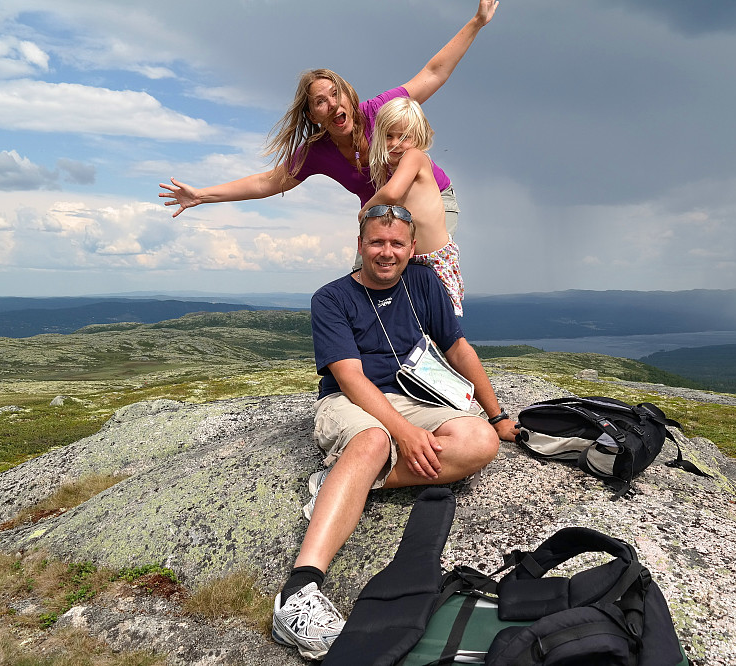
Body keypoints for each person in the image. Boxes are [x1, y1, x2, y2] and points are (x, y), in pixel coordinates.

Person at [270, 207, 518, 660]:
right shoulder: (331, 298)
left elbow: (458, 348)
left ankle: (344, 480)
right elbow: (350, 379)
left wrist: (497, 416)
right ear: (360, 244)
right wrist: (401, 432)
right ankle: (298, 592)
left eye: (397, 244)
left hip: (412, 395)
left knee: (479, 442)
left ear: (411, 248)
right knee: (373, 440)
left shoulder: (423, 283)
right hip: (350, 401)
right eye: (377, 242)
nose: (387, 252)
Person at [158, 0, 499, 245]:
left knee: (414, 276)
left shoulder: (379, 110)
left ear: (349, 98)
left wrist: (476, 22)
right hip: (382, 216)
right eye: (320, 101)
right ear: (312, 116)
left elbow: (434, 73)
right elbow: (267, 182)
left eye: (336, 94)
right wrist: (201, 195)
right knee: (365, 288)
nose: (332, 104)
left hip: (433, 201)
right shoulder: (316, 152)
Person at [361, 97, 464, 315]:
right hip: (412, 259)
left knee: (438, 318)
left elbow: (391, 193)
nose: (395, 143)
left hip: (435, 259)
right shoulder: (390, 168)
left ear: (417, 138)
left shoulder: (415, 157)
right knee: (409, 316)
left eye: (404, 136)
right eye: (388, 136)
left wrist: (364, 212)